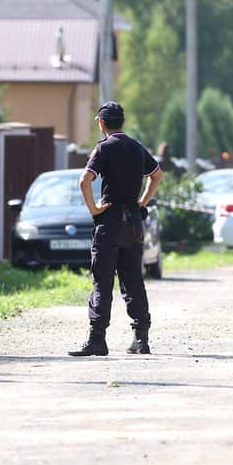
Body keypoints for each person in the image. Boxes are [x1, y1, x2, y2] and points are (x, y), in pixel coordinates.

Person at [69, 101, 163, 356]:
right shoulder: (136, 147)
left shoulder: (103, 149)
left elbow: (84, 180)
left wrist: (93, 209)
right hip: (133, 222)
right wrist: (142, 202)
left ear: (101, 123)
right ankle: (141, 338)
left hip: (109, 222)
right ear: (122, 122)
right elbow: (157, 176)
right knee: (133, 280)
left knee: (102, 281)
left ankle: (97, 338)